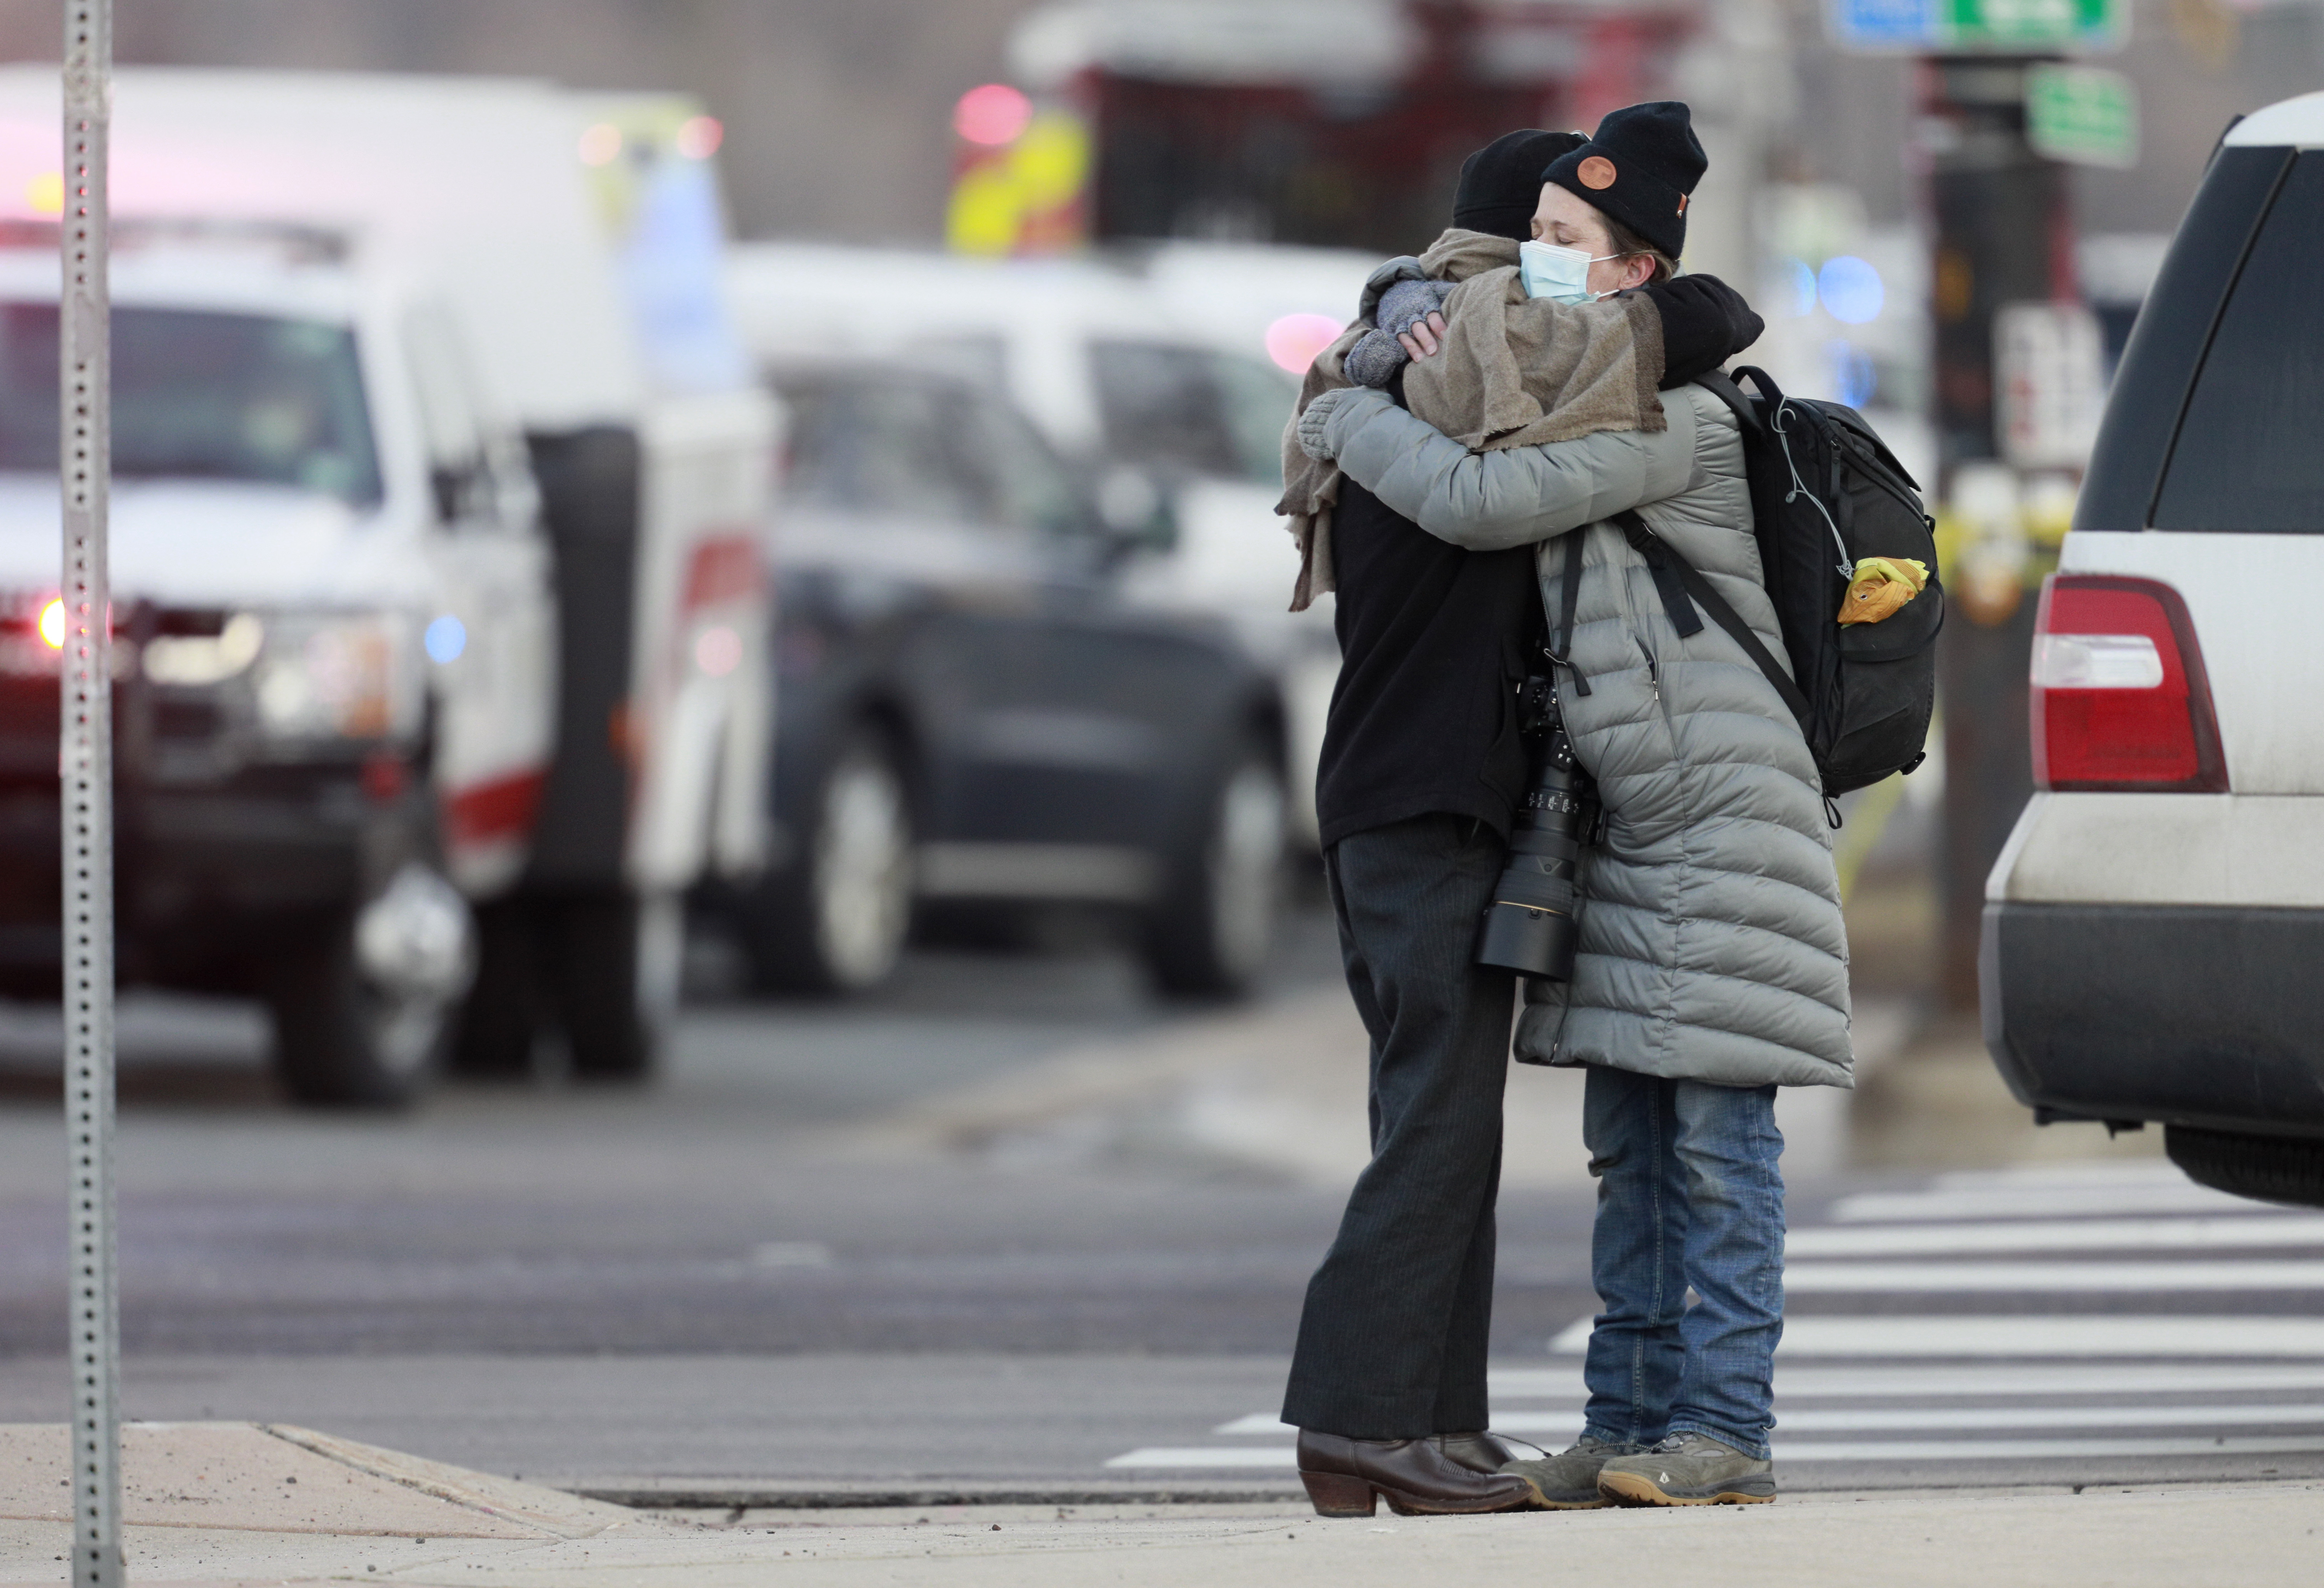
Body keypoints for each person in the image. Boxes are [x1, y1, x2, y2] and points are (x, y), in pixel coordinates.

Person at [1294, 100, 1851, 1511]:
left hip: (1716, 813)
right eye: (1527, 236)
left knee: (1715, 1143)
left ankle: (1715, 1426)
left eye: (1562, 241)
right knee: (1625, 1146)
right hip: (1617, 821)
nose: (1534, 266)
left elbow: (1488, 500)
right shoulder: (1565, 375)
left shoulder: (1673, 416)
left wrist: (1344, 404)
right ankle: (1609, 1421)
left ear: (1630, 274)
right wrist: (1370, 375)